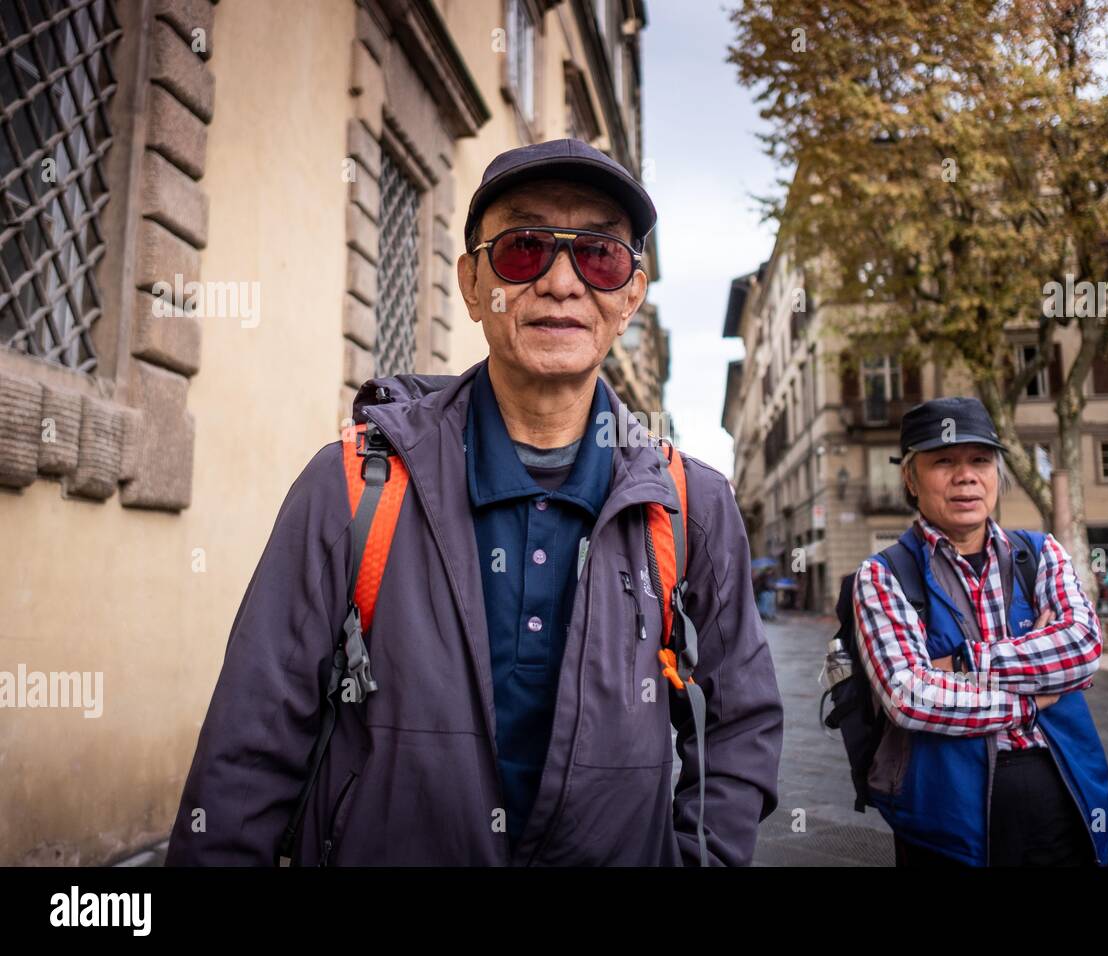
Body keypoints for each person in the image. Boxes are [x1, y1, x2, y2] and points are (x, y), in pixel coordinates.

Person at [165, 139, 783, 866]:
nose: (561, 281)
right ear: (470, 282)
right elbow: (250, 745)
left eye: (599, 256)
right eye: (524, 248)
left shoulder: (691, 506)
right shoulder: (352, 486)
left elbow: (738, 724)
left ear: (630, 297)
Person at [852, 397, 1108, 866]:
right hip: (946, 814)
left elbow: (1083, 647)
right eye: (943, 462)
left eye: (980, 460)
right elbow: (909, 695)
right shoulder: (882, 575)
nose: (966, 475)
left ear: (997, 473)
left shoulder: (1040, 554)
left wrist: (967, 663)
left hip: (1065, 791)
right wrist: (1032, 696)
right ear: (910, 478)